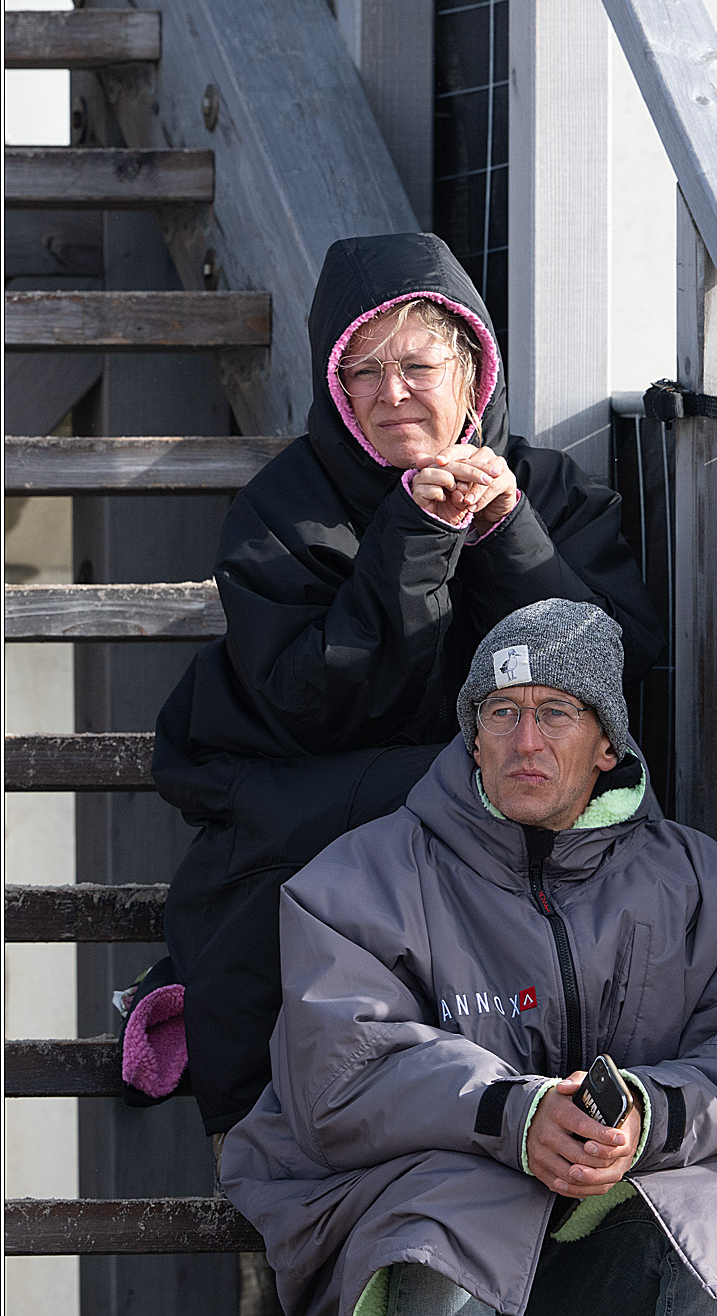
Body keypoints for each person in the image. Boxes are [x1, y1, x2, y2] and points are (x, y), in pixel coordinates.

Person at [221, 598, 717, 1316]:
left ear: (607, 741)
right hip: (398, 1241)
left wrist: (648, 1119)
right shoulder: (354, 883)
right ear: (472, 735)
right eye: (501, 712)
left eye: (556, 712)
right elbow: (337, 1071)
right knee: (449, 1229)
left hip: (600, 1253)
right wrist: (516, 1113)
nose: (524, 740)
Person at [150, 233, 664, 1138]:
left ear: (472, 370)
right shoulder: (283, 506)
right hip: (318, 789)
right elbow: (325, 703)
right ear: (334, 392)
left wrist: (507, 534)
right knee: (437, 809)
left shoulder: (549, 490)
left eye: (418, 363)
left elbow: (610, 684)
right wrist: (415, 534)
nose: (393, 393)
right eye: (363, 371)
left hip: (491, 806)